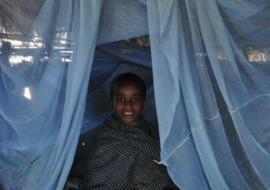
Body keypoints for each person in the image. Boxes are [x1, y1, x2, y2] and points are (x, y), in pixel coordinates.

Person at [84, 73, 179, 189]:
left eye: (135, 99)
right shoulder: (106, 143)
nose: (128, 105)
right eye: (120, 99)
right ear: (112, 102)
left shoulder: (150, 129)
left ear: (143, 102)